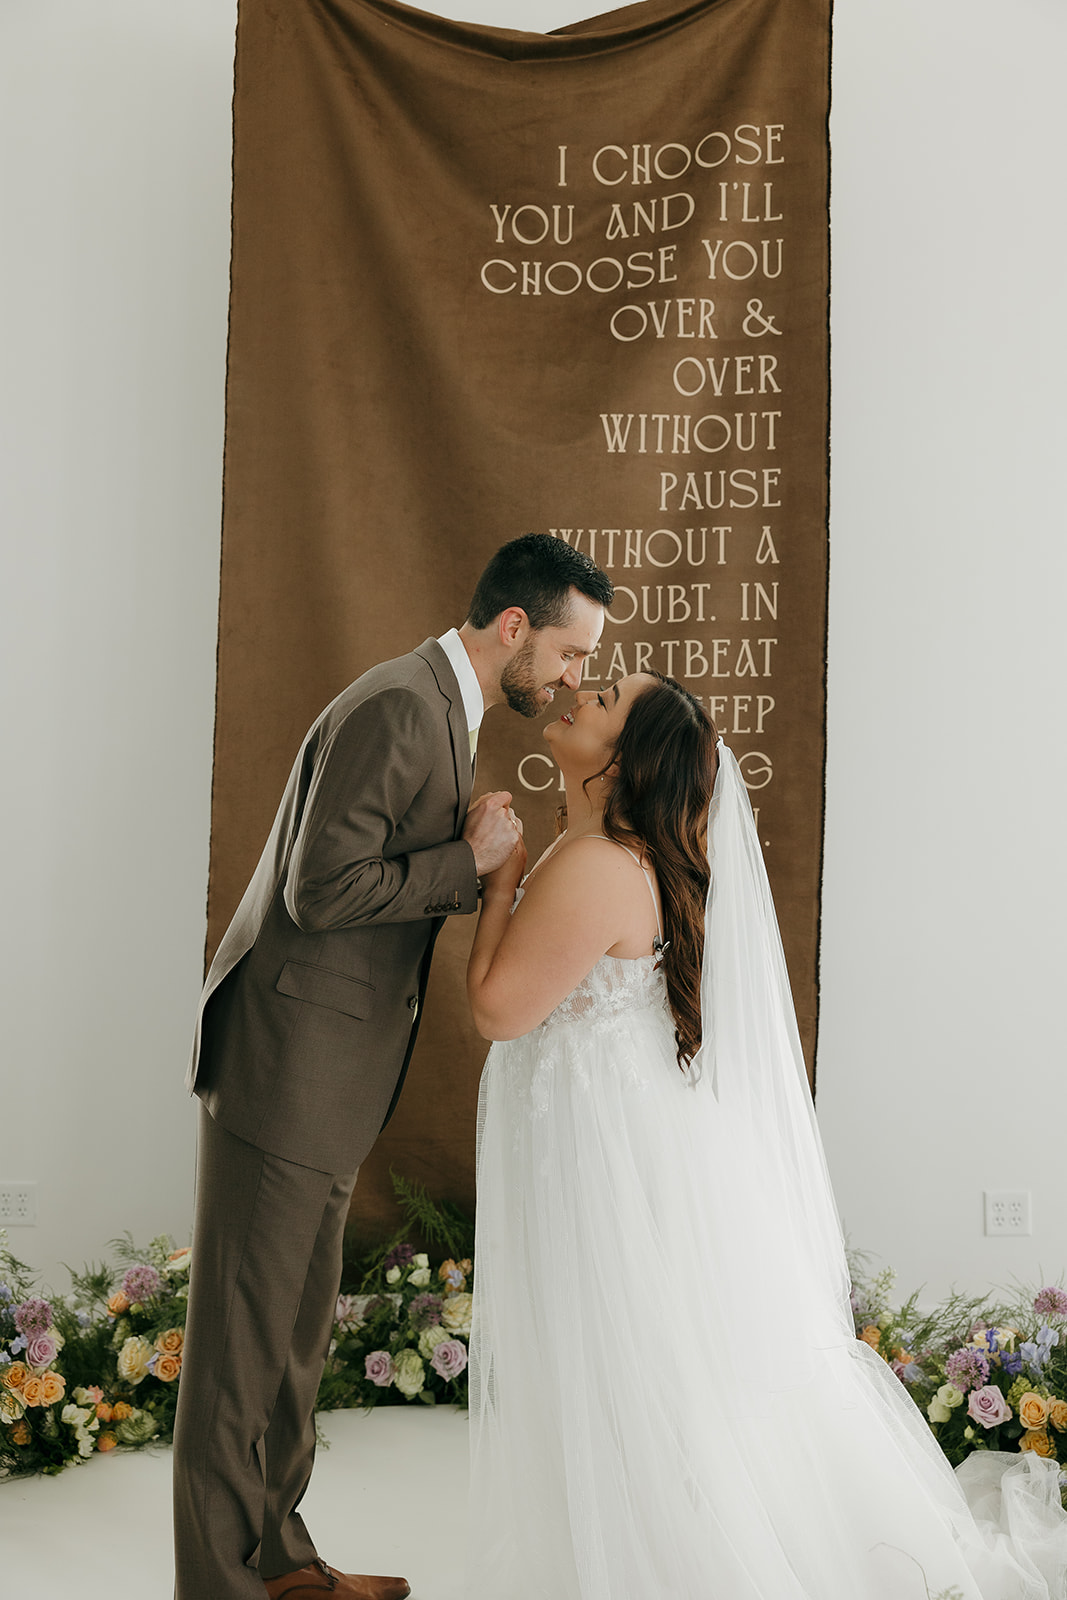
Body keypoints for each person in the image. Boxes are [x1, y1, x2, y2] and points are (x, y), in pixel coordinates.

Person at [464, 672, 1067, 1600]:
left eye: (608, 695)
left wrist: (497, 878)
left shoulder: (593, 864)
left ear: (627, 757)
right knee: (649, 1371)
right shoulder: (608, 852)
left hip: (604, 1161)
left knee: (628, 1366)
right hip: (622, 1141)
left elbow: (499, 1010)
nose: (580, 690)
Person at [172, 534, 613, 1600]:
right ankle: (219, 1588)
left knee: (287, 1341)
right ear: (513, 627)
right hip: (286, 1070)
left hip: (320, 1078)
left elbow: (359, 863)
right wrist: (470, 863)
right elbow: (320, 892)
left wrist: (458, 844)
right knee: (242, 1355)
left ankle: (281, 1563)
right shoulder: (402, 704)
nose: (571, 678)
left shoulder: (432, 703)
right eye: (566, 651)